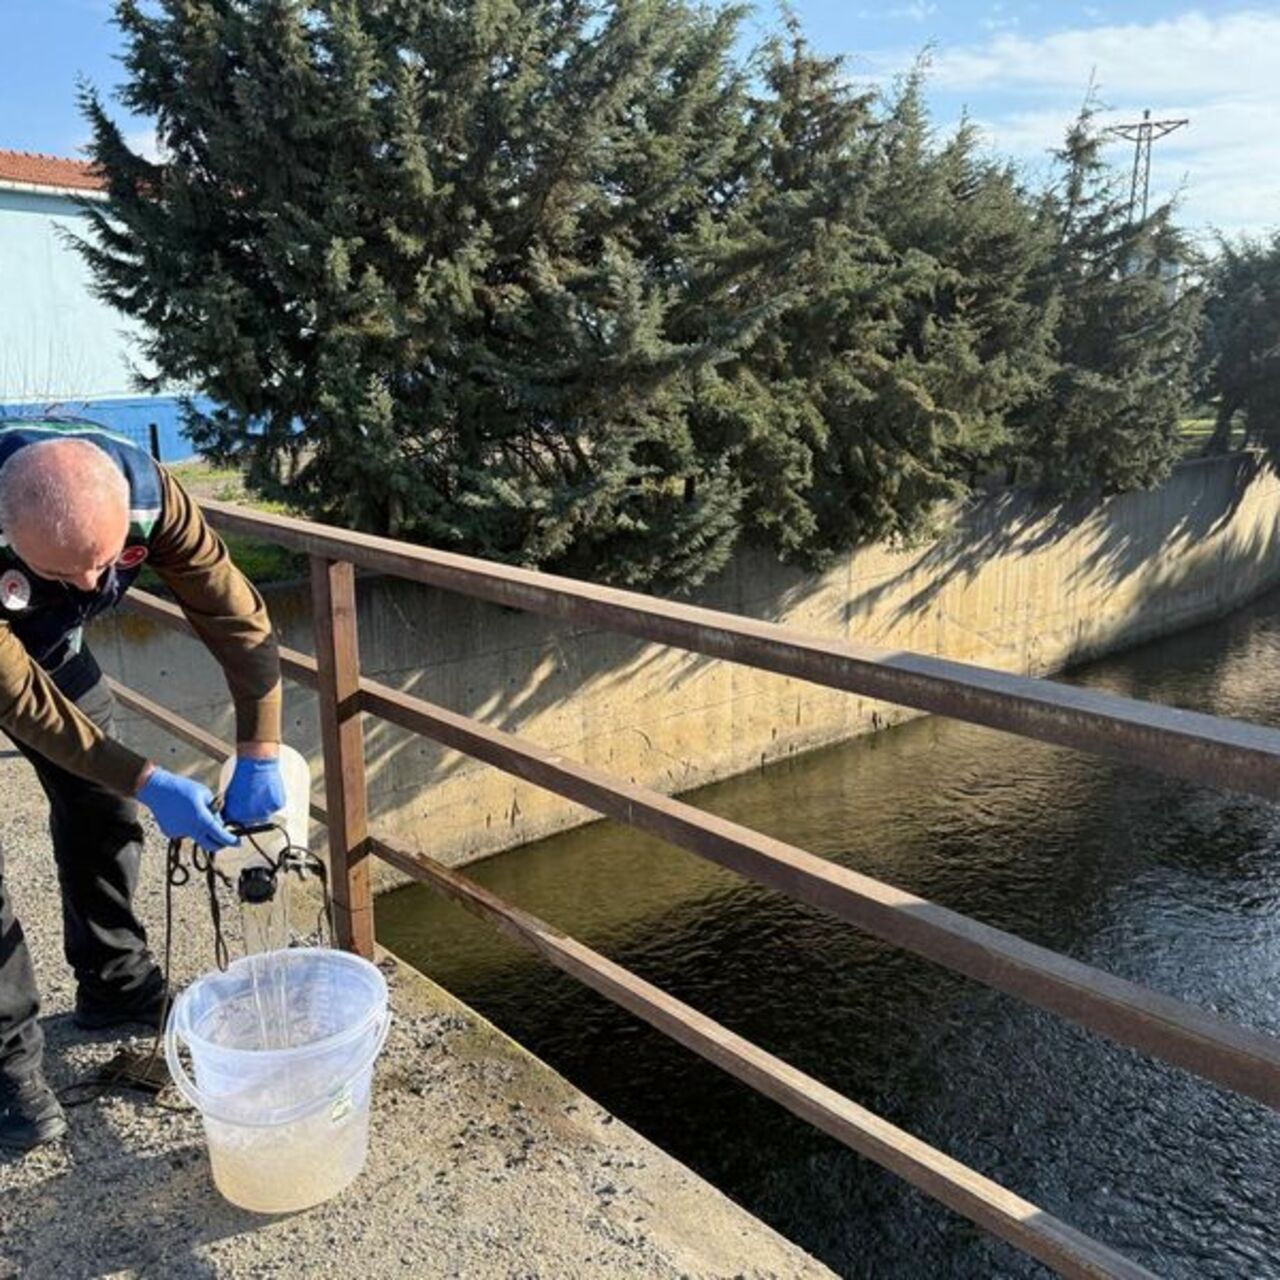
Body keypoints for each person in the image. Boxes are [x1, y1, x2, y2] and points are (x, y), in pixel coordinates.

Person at [0, 417, 285, 1152]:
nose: (96, 585)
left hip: (49, 646)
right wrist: (153, 777)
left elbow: (235, 616)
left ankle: (115, 981)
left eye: (105, 562)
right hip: (6, 665)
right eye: (66, 575)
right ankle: (9, 1069)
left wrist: (260, 745)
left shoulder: (149, 493)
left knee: (103, 806)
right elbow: (21, 703)